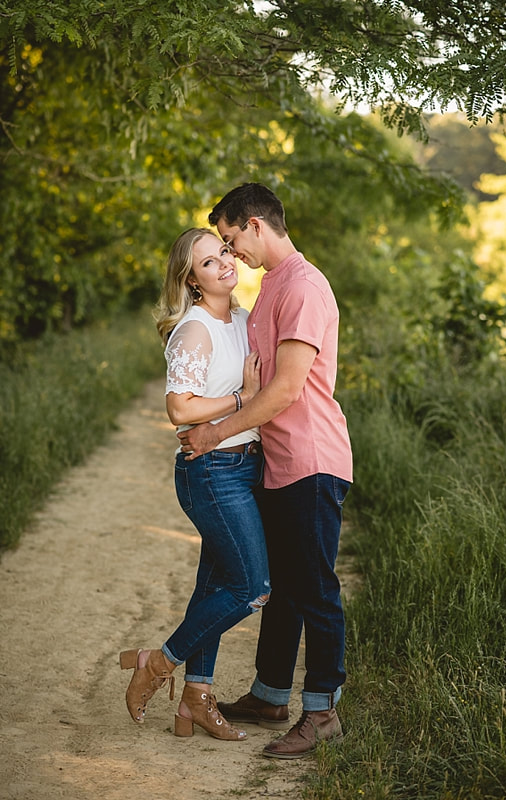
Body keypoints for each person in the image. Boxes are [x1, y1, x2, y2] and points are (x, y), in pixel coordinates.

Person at [177, 183, 353, 760]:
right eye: (220, 249)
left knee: (315, 588)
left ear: (255, 225)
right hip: (275, 464)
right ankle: (270, 694)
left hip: (312, 459)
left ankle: (322, 712)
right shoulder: (270, 286)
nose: (231, 255)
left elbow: (284, 389)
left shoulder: (304, 286)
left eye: (231, 241)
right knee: (280, 588)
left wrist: (215, 433)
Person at [120, 227, 267, 742]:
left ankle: (196, 701)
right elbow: (180, 408)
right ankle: (158, 663)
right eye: (209, 261)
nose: (225, 262)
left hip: (247, 465)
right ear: (193, 280)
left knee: (215, 585)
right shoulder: (194, 328)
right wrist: (240, 400)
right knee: (252, 588)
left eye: (224, 251)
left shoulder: (244, 320)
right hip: (211, 471)